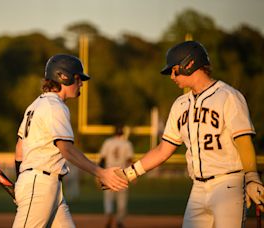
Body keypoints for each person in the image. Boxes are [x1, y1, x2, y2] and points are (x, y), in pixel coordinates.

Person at [118, 41, 264, 228]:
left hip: (228, 184)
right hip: (198, 188)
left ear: (189, 64)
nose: (172, 76)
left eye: (174, 70)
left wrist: (251, 177)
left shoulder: (228, 96)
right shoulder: (180, 104)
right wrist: (129, 173)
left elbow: (243, 141)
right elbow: (163, 150)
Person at [13, 54, 128, 228]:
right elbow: (66, 149)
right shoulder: (55, 106)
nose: (81, 83)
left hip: (45, 185)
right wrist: (100, 172)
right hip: (41, 185)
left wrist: (20, 180)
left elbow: (19, 149)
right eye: (78, 78)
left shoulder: (35, 105)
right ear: (64, 77)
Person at [98, 125, 134, 228]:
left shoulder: (108, 142)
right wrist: (134, 174)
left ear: (114, 133)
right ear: (122, 133)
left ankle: (109, 214)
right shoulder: (127, 144)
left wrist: (99, 174)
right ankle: (119, 220)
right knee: (122, 199)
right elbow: (129, 160)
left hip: (108, 173)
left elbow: (102, 159)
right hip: (122, 173)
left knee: (108, 198)